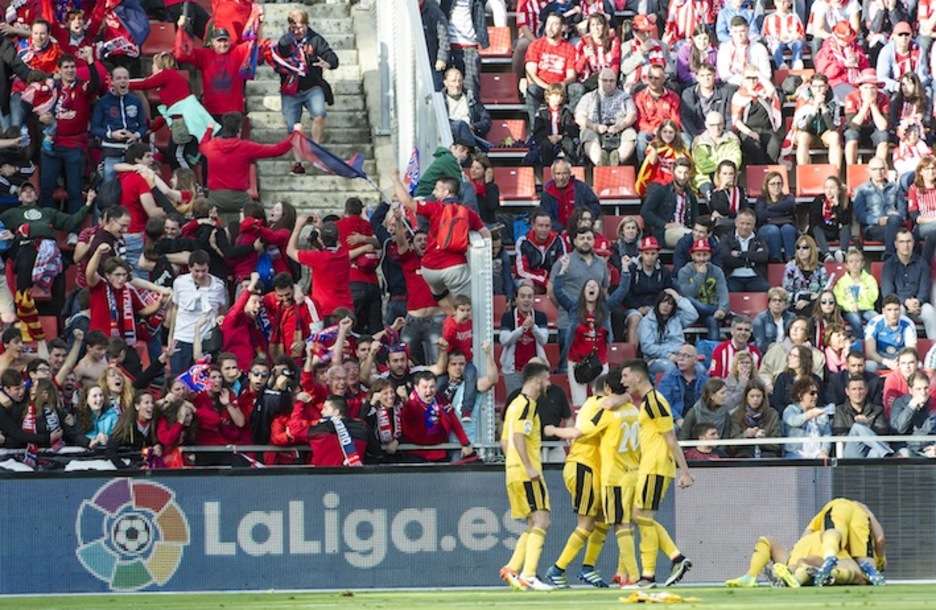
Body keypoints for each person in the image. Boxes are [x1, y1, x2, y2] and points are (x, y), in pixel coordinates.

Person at [544, 371, 640, 589]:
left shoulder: (617, 405)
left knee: (604, 520)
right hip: (583, 466)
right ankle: (558, 569)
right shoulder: (597, 405)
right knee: (587, 524)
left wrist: (623, 396)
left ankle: (588, 567)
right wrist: (553, 430)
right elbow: (577, 432)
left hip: (601, 471)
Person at [620, 359, 694, 589]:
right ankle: (675, 558)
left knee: (644, 518)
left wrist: (685, 472)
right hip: (649, 466)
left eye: (625, 376)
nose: (623, 382)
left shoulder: (655, 402)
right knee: (640, 516)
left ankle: (649, 575)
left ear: (638, 377)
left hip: (656, 467)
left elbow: (670, 438)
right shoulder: (648, 402)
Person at [391, 172, 491, 314]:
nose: (433, 192)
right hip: (455, 269)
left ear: (446, 192)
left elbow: (407, 202)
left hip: (430, 270)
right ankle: (462, 328)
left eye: (437, 189)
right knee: (469, 310)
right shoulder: (468, 212)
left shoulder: (434, 208)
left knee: (440, 295)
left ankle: (453, 320)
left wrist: (395, 179)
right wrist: (487, 259)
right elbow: (485, 234)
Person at [499, 362, 555, 592]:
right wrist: (529, 466)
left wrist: (513, 461)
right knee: (542, 521)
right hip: (526, 472)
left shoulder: (513, 405)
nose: (549, 384)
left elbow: (505, 441)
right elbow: (519, 436)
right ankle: (529, 575)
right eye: (547, 379)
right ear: (538, 380)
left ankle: (512, 568)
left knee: (533, 523)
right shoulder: (527, 404)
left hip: (513, 471)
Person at [554, 254, 629, 405]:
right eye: (588, 286)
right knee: (579, 403)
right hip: (577, 361)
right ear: (583, 291)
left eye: (595, 285)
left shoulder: (605, 308)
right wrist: (563, 270)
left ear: (600, 292)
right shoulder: (574, 307)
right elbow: (558, 291)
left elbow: (621, 292)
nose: (592, 287)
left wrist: (625, 269)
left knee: (601, 402)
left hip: (599, 361)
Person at [201, 112, 296, 217]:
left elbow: (202, 145)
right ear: (239, 130)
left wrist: (209, 130)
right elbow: (277, 150)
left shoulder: (211, 146)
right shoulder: (246, 147)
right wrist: (295, 135)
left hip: (215, 197)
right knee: (255, 216)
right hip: (240, 198)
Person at [168, 250, 228, 375]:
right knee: (178, 380)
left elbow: (222, 309)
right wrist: (170, 336)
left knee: (202, 381)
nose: (200, 275)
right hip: (182, 337)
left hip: (206, 340)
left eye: (203, 271)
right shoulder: (179, 283)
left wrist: (220, 319)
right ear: (190, 268)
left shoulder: (218, 286)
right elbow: (175, 308)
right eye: (196, 271)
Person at [524, 12, 577, 130]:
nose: (550, 27)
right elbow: (531, 73)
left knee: (577, 89)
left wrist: (562, 84)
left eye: (554, 24)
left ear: (563, 27)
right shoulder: (536, 45)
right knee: (532, 90)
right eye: (548, 24)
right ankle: (536, 131)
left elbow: (571, 75)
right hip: (541, 85)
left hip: (561, 87)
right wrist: (548, 87)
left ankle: (569, 128)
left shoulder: (569, 48)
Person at [619, 236, 676, 344]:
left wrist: (656, 308)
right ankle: (632, 356)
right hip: (634, 307)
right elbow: (625, 293)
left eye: (653, 253)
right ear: (641, 253)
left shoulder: (664, 271)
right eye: (647, 253)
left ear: (658, 254)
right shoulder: (632, 269)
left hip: (657, 307)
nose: (650, 257)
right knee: (635, 318)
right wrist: (639, 307)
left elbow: (667, 292)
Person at [575, 68, 637, 167]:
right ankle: (600, 162)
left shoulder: (625, 97)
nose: (608, 83)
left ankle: (617, 159)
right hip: (595, 128)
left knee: (630, 134)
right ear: (599, 81)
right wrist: (594, 126)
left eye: (611, 81)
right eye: (605, 80)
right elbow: (579, 117)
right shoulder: (588, 97)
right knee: (587, 134)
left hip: (619, 129)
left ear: (616, 81)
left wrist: (620, 126)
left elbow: (632, 115)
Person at [882, 227, 936, 338]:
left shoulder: (922, 264)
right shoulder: (888, 265)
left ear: (913, 243)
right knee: (897, 310)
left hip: (918, 305)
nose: (905, 245)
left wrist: (918, 301)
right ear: (896, 244)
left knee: (930, 311)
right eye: (901, 242)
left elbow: (925, 289)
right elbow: (888, 293)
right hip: (899, 304)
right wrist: (905, 302)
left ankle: (934, 349)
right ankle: (898, 349)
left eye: (908, 241)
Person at [499, 283, 549, 395]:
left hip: (535, 370)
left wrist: (533, 327)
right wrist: (522, 328)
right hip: (514, 369)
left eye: (529, 297)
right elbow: (504, 340)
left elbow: (543, 340)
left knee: (537, 403)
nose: (526, 300)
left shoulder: (541, 316)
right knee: (516, 404)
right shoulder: (508, 316)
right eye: (522, 296)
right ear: (516, 299)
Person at [305, 395, 380, 467]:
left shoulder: (321, 428)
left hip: (323, 478)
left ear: (336, 412)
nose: (322, 412)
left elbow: (296, 431)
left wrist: (300, 403)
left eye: (325, 408)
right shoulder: (362, 426)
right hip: (356, 476)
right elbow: (376, 452)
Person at [638, 289, 699, 377]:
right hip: (654, 360)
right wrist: (668, 355)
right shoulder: (646, 322)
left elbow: (693, 315)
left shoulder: (677, 318)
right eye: (663, 302)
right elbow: (647, 347)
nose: (665, 306)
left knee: (698, 368)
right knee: (670, 367)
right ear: (658, 303)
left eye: (669, 303)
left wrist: (677, 297)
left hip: (679, 356)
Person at [730, 66, 784, 164]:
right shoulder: (739, 95)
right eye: (748, 78)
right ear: (743, 79)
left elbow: (771, 91)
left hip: (766, 129)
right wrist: (750, 133)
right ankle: (761, 174)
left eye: (754, 78)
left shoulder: (763, 92)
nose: (752, 81)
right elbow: (736, 120)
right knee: (756, 149)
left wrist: (758, 74)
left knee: (774, 146)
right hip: (748, 131)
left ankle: (771, 172)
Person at [677, 239, 728, 341]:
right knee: (688, 299)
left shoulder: (717, 271)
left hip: (710, 311)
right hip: (691, 311)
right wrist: (700, 275)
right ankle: (723, 314)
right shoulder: (684, 271)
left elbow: (723, 292)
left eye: (705, 255)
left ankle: (713, 352)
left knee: (713, 320)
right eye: (698, 255)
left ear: (710, 256)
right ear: (692, 256)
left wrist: (722, 309)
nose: (702, 258)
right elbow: (688, 293)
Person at [640, 158, 698, 248]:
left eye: (686, 173)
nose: (682, 177)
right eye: (679, 172)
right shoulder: (662, 191)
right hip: (666, 232)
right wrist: (665, 224)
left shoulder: (691, 196)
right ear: (673, 171)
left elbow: (695, 218)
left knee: (705, 239)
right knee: (692, 238)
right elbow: (645, 212)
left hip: (686, 230)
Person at [792, 73, 843, 173]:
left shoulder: (834, 99)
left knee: (835, 137)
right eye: (815, 86)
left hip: (825, 132)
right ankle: (803, 175)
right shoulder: (803, 98)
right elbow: (803, 127)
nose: (818, 89)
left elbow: (833, 127)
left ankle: (836, 174)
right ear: (810, 87)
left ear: (827, 87)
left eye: (821, 86)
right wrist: (814, 108)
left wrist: (823, 107)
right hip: (808, 132)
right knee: (803, 137)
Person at [758, 316, 827, 390]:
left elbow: (817, 378)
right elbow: (764, 372)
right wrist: (768, 384)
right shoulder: (775, 349)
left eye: (800, 329)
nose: (794, 330)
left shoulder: (817, 356)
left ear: (807, 335)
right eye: (793, 327)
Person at [570, 13, 621, 111]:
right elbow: (578, 70)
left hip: (608, 79)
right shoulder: (582, 44)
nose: (596, 28)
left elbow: (615, 65)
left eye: (599, 24)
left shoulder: (614, 41)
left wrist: (610, 80)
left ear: (604, 26)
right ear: (589, 28)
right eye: (593, 25)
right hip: (588, 81)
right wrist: (585, 56)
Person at [833, 375, 892, 458]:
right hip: (851, 450)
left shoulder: (877, 410)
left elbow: (883, 432)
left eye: (860, 389)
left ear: (866, 390)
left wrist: (868, 425)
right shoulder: (840, 410)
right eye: (854, 389)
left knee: (876, 453)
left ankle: (884, 454)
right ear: (847, 391)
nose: (858, 393)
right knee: (857, 426)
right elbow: (839, 435)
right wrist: (859, 431)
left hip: (871, 450)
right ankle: (887, 453)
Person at [854, 159, 902, 257]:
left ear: (886, 170)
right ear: (869, 171)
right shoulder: (861, 190)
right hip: (873, 228)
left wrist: (896, 215)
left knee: (895, 224)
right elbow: (860, 215)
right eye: (875, 169)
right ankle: (891, 256)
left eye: (881, 169)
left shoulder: (895, 188)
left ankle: (889, 255)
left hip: (894, 224)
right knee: (904, 237)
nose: (879, 172)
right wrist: (878, 220)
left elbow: (903, 212)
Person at [843, 69, 890, 166]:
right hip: (857, 129)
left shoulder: (883, 98)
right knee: (851, 136)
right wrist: (865, 106)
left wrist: (873, 105)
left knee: (884, 137)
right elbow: (853, 125)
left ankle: (878, 167)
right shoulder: (851, 97)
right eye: (866, 88)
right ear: (860, 88)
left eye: (872, 88)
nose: (869, 91)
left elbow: (883, 126)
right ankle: (850, 168)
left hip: (874, 129)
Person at [814, 22, 870, 102]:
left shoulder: (855, 48)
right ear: (836, 37)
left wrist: (859, 61)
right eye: (843, 40)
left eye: (848, 40)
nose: (846, 42)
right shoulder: (826, 51)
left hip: (857, 81)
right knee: (855, 98)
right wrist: (843, 64)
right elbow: (823, 74)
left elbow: (866, 67)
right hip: (836, 83)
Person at [539, 159, 601, 231]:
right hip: (556, 233)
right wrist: (561, 230)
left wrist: (585, 221)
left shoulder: (582, 188)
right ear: (553, 175)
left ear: (569, 174)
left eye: (564, 173)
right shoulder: (547, 193)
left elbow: (595, 206)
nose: (561, 178)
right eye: (558, 174)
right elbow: (546, 216)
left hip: (581, 231)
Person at [658, 344, 709, 430]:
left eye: (686, 356)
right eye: (679, 355)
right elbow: (663, 404)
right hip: (675, 420)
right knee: (673, 429)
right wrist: (678, 419)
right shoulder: (668, 379)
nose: (681, 359)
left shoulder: (704, 379)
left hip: (699, 419)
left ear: (695, 360)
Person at [635, 120, 692, 197]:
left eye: (670, 132)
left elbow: (686, 166)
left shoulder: (681, 149)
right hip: (657, 180)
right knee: (654, 192)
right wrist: (655, 149)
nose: (667, 135)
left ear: (675, 134)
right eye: (665, 132)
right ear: (660, 133)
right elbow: (652, 161)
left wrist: (681, 156)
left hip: (675, 181)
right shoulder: (654, 145)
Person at [691, 111, 741, 199]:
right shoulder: (699, 142)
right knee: (710, 193)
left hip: (727, 177)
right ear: (706, 125)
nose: (717, 128)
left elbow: (736, 161)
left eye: (719, 124)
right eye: (712, 125)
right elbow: (702, 165)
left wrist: (717, 167)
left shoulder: (731, 141)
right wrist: (723, 164)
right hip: (705, 179)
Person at [516, 210, 565, 294]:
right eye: (540, 226)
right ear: (533, 226)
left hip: (552, 279)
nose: (544, 229)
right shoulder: (523, 242)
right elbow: (522, 272)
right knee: (528, 285)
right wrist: (544, 281)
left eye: (547, 226)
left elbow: (563, 265)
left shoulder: (558, 240)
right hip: (531, 279)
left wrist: (552, 281)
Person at [865, 294, 917, 373]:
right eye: (889, 310)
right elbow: (870, 353)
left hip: (901, 361)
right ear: (883, 311)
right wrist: (887, 362)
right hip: (880, 360)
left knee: (918, 365)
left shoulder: (908, 324)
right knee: (869, 365)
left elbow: (911, 350)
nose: (893, 313)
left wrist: (900, 362)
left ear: (900, 310)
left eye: (896, 309)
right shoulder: (874, 323)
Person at [782, 377, 832, 459]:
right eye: (812, 393)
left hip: (817, 454)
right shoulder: (790, 409)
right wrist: (810, 414)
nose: (815, 396)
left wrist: (824, 451)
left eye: (816, 393)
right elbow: (793, 421)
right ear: (800, 395)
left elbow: (827, 435)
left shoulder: (821, 413)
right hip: (796, 453)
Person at [532, 83, 580, 167]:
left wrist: (561, 136)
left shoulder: (566, 112)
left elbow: (570, 128)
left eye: (560, 96)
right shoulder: (541, 112)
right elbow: (538, 130)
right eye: (555, 95)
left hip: (562, 137)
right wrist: (548, 137)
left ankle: (571, 167)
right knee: (545, 145)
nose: (558, 98)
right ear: (548, 96)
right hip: (547, 138)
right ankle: (547, 169)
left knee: (569, 144)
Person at [442, 67, 491, 151]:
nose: (457, 84)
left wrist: (474, 127)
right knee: (460, 124)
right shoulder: (440, 100)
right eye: (453, 81)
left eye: (460, 80)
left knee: (462, 125)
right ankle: (473, 151)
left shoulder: (471, 98)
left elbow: (487, 120)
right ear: (445, 82)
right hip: (450, 140)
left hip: (471, 134)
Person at [834, 249, 880, 337]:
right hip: (850, 310)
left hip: (867, 308)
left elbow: (873, 296)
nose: (854, 264)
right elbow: (839, 299)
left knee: (877, 319)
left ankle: (876, 341)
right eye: (851, 261)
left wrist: (862, 287)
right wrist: (850, 306)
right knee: (856, 320)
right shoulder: (842, 282)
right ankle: (860, 342)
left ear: (862, 263)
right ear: (846, 265)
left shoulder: (869, 279)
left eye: (857, 261)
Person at [680, 62, 732, 141]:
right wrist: (696, 136)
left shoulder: (724, 93)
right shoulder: (689, 94)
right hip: (696, 131)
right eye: (702, 75)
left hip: (719, 131)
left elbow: (728, 117)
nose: (706, 78)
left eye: (709, 75)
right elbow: (686, 118)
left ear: (714, 75)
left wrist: (727, 133)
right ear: (697, 77)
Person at [730, 379, 782, 458]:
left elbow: (777, 444)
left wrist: (764, 440)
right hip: (745, 455)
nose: (755, 399)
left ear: (763, 397)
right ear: (746, 397)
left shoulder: (773, 414)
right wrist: (745, 435)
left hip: (767, 454)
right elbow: (732, 444)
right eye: (752, 396)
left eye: (758, 396)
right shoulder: (737, 415)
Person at [889, 370, 936, 457]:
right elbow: (899, 428)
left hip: (929, 450)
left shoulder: (934, 404)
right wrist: (912, 405)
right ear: (910, 390)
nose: (923, 392)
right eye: (918, 389)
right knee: (905, 454)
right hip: (907, 449)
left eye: (926, 388)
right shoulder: (899, 403)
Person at [755, 171, 798, 263]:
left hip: (786, 226)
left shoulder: (788, 197)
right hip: (766, 228)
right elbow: (761, 216)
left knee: (787, 229)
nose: (776, 186)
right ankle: (776, 259)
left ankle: (791, 259)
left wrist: (769, 209)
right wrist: (783, 211)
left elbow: (791, 206)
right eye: (773, 184)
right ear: (767, 185)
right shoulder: (761, 200)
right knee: (773, 230)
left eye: (779, 183)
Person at [716, 17, 771, 88]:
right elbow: (724, 74)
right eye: (735, 32)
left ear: (748, 29)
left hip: (756, 84)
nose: (739, 35)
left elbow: (766, 73)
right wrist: (741, 82)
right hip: (733, 84)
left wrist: (752, 83)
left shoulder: (759, 48)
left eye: (742, 31)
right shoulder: (724, 49)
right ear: (731, 32)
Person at [620, 15, 667, 95]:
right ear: (635, 33)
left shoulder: (662, 45)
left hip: (659, 80)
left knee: (673, 86)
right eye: (643, 33)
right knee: (639, 90)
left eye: (649, 32)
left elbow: (671, 70)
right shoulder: (627, 46)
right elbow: (625, 69)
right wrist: (641, 51)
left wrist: (660, 74)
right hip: (637, 82)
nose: (647, 35)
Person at [770, 344, 824, 415]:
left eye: (794, 356)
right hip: (787, 418)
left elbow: (819, 403)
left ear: (803, 359)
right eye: (790, 355)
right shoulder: (783, 378)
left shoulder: (816, 379)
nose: (789, 358)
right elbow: (777, 403)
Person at [876, 22, 928, 94]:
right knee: (882, 92)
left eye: (907, 34)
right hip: (894, 87)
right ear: (894, 36)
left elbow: (923, 75)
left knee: (928, 91)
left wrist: (914, 86)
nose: (904, 37)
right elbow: (882, 78)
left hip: (914, 86)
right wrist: (898, 86)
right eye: (900, 34)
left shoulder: (918, 49)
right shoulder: (886, 51)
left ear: (911, 35)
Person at [783, 235, 828, 318]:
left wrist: (809, 301)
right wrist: (804, 297)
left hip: (815, 304)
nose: (801, 250)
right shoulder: (791, 267)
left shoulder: (820, 268)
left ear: (812, 249)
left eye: (805, 247)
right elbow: (786, 292)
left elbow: (824, 291)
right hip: (795, 304)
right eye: (798, 247)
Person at [762, 0, 806, 69]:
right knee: (775, 46)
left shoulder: (795, 17)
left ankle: (796, 63)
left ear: (789, 3)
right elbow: (764, 37)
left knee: (798, 44)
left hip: (792, 41)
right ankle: (781, 65)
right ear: (775, 3)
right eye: (779, 2)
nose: (782, 4)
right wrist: (777, 37)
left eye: (784, 2)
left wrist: (797, 36)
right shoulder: (769, 18)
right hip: (777, 41)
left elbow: (802, 35)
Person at [675, 26, 719, 90]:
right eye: (699, 38)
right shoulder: (686, 50)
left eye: (705, 39)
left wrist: (710, 79)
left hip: (710, 82)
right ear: (694, 38)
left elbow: (718, 72)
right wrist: (700, 78)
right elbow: (682, 73)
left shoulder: (713, 52)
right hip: (690, 82)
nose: (702, 42)